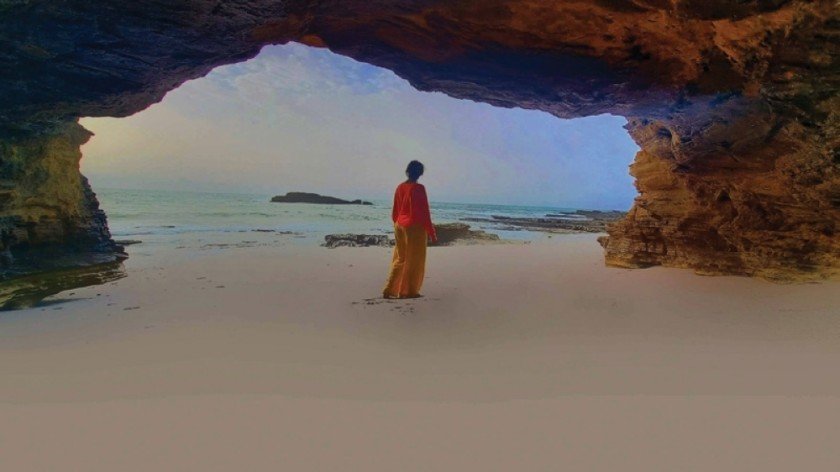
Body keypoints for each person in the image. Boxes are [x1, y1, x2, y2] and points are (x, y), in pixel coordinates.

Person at [383, 160, 437, 299]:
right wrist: (432, 232)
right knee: (415, 260)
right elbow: (424, 212)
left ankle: (390, 289)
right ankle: (409, 291)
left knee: (400, 258)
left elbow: (395, 210)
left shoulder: (400, 187)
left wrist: (397, 224)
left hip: (399, 224)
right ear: (420, 173)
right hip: (414, 227)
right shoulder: (419, 188)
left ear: (407, 171)